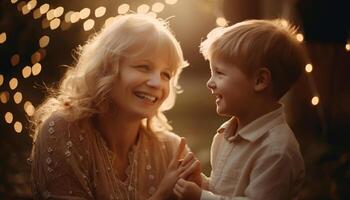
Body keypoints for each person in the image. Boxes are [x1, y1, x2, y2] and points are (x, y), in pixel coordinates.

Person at [28, 13, 200, 200]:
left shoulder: (172, 150)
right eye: (143, 67)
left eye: (166, 74)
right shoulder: (63, 131)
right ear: (107, 68)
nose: (157, 83)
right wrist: (161, 195)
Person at [173, 19, 307, 199]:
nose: (210, 83)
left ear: (259, 80)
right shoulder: (225, 135)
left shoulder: (276, 151)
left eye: (219, 73)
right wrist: (202, 183)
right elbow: (226, 191)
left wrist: (201, 197)